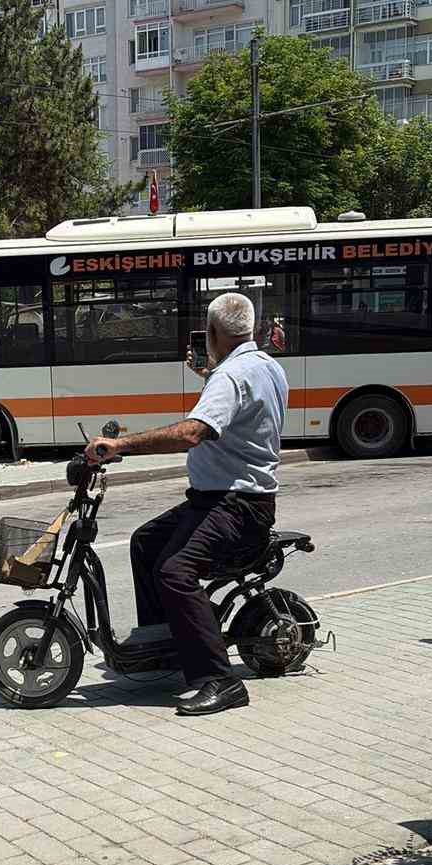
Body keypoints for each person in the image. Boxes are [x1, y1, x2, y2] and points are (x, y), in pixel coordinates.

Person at [85, 292, 288, 717]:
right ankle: (171, 644)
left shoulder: (230, 377)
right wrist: (210, 374)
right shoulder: (267, 366)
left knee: (175, 572)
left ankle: (220, 680)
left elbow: (192, 433)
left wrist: (121, 445)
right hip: (231, 499)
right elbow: (239, 406)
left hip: (235, 504)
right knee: (146, 542)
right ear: (250, 328)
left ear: (212, 331)